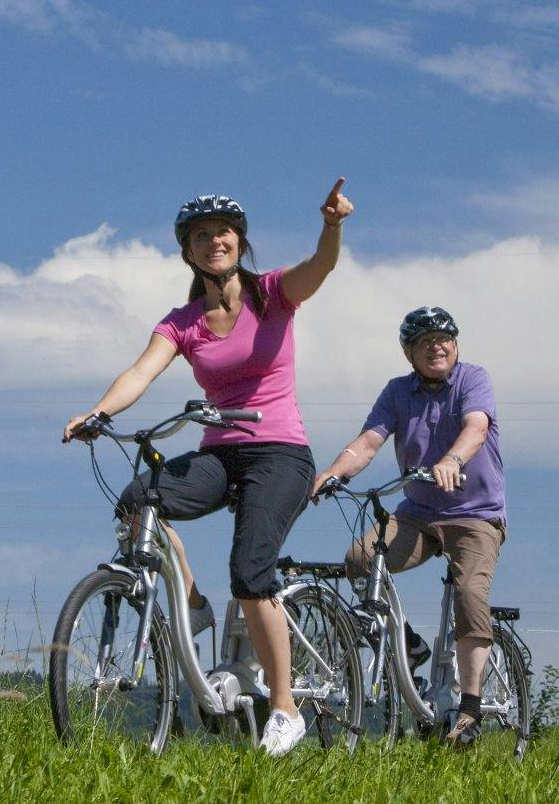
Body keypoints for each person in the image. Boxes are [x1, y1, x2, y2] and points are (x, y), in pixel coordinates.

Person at [62, 182, 353, 757]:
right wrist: (99, 412)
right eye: (200, 235)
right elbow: (141, 371)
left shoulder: (272, 294)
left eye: (222, 231)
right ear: (188, 253)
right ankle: (191, 601)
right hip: (221, 454)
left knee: (250, 572)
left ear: (239, 243)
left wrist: (332, 225)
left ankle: (286, 711)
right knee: (137, 500)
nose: (213, 240)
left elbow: (319, 267)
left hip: (280, 453)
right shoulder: (183, 322)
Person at [311, 306, 505, 748]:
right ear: (409, 353)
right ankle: (410, 645)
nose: (437, 347)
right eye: (425, 342)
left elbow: (476, 427)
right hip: (417, 513)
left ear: (455, 344)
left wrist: (452, 460)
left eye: (444, 339)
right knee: (360, 559)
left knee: (469, 593)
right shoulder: (397, 392)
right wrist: (334, 473)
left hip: (475, 513)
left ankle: (470, 709)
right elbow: (369, 441)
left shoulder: (474, 379)